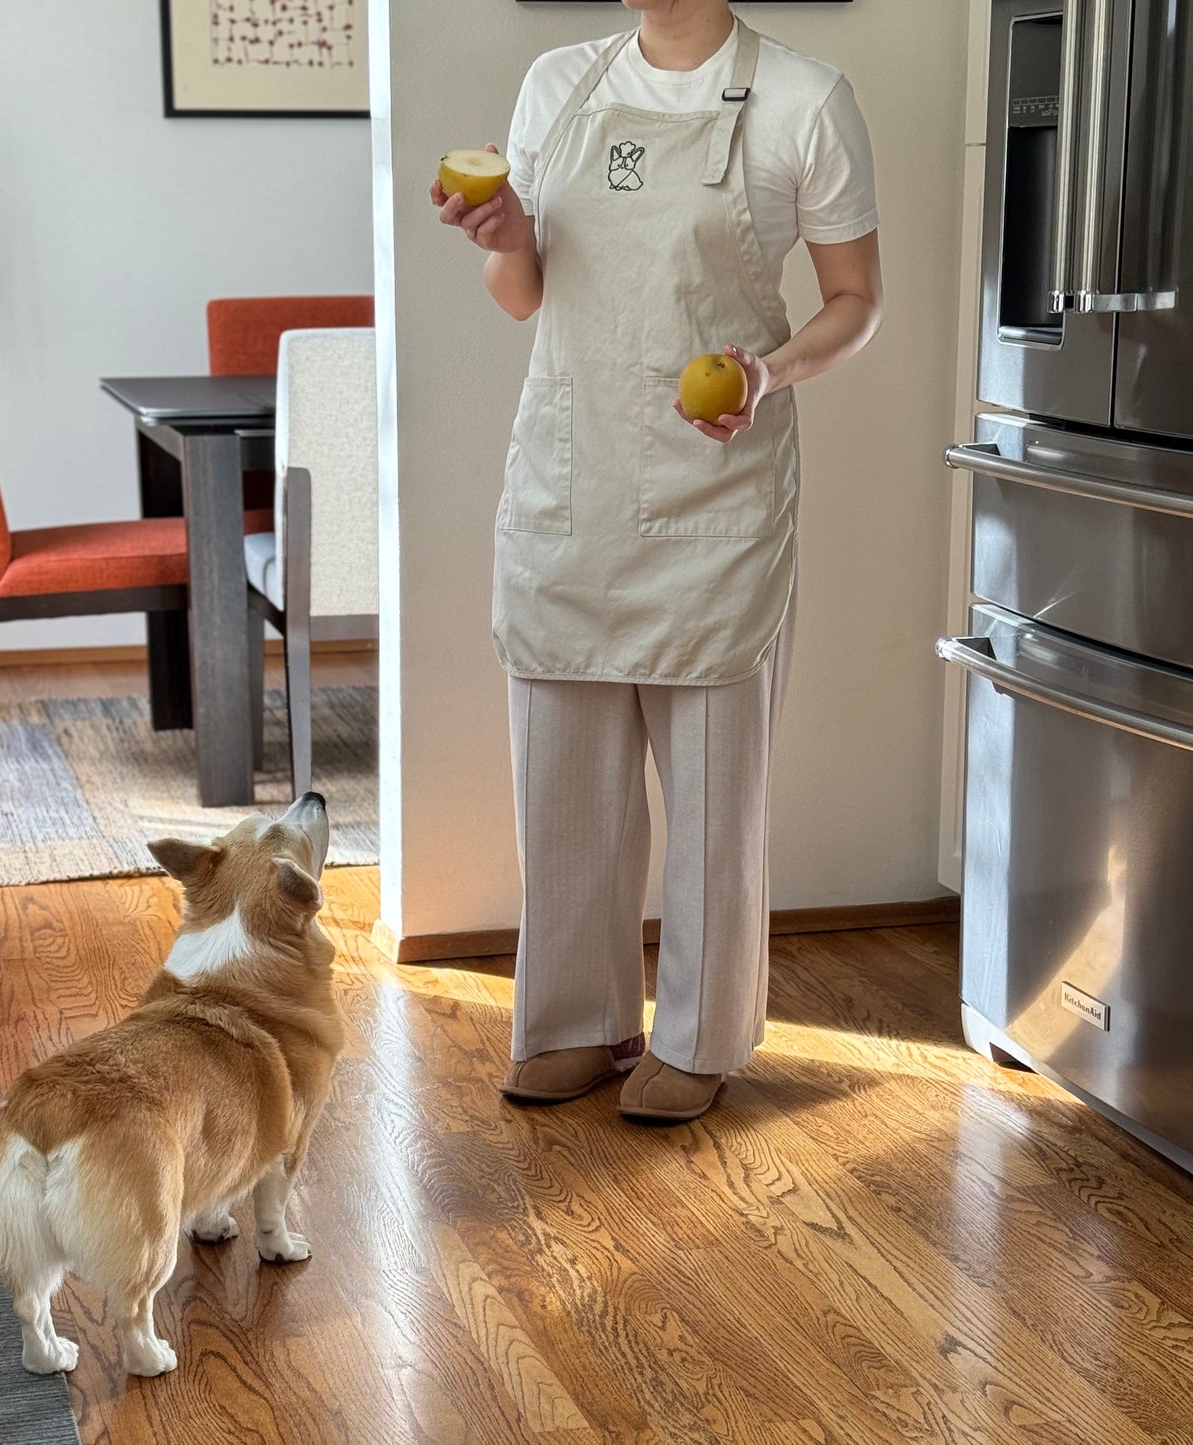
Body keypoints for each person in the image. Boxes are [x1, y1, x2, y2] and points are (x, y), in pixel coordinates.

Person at [432, 0, 882, 1122]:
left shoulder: (804, 100)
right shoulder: (557, 85)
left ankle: (698, 1035)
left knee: (714, 795)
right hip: (571, 477)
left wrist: (770, 372)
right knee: (561, 783)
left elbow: (856, 300)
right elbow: (522, 297)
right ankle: (574, 1020)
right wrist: (505, 238)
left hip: (713, 480)